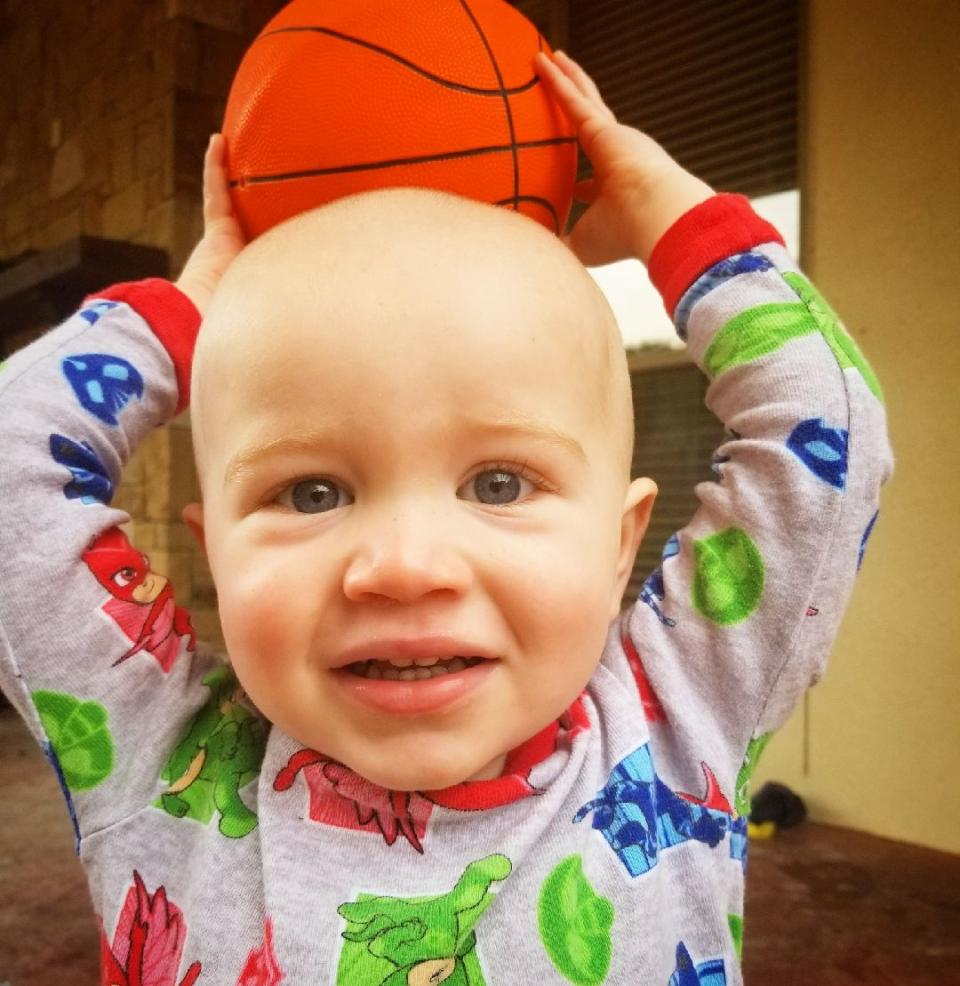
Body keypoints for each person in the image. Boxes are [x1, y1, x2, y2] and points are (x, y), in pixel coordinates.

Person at [0, 51, 891, 983]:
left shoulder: (673, 725)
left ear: (620, 544)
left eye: (499, 484)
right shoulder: (163, 762)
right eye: (312, 493)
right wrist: (188, 312)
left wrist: (666, 212)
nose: (404, 565)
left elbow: (824, 426)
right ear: (213, 552)